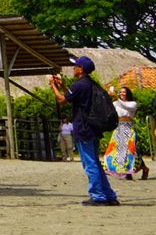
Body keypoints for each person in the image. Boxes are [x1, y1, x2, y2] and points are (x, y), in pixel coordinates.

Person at [49, 55, 118, 206]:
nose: (73, 68)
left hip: (84, 128)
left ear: (81, 69)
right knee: (95, 162)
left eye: (76, 66)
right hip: (93, 128)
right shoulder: (91, 84)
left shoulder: (80, 85)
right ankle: (109, 195)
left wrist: (53, 86)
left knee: (90, 164)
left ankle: (98, 195)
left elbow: (62, 100)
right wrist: (63, 86)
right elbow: (72, 96)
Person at [102, 86, 148, 180]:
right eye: (120, 92)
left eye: (124, 92)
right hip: (118, 128)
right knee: (118, 150)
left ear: (128, 93)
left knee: (130, 150)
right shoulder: (115, 103)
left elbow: (126, 107)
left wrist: (116, 97)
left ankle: (141, 168)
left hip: (128, 128)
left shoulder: (132, 104)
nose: (122, 93)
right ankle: (128, 171)